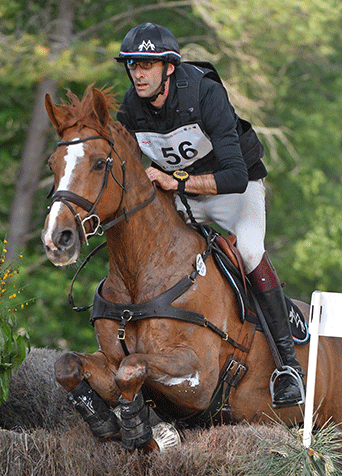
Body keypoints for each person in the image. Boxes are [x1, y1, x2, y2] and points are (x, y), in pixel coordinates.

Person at [115, 22, 304, 408]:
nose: (138, 72)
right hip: (179, 194)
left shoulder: (205, 94)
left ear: (169, 67)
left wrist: (176, 181)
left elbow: (234, 175)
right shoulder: (131, 108)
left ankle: (288, 366)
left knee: (249, 250)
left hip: (235, 188)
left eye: (147, 65)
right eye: (132, 64)